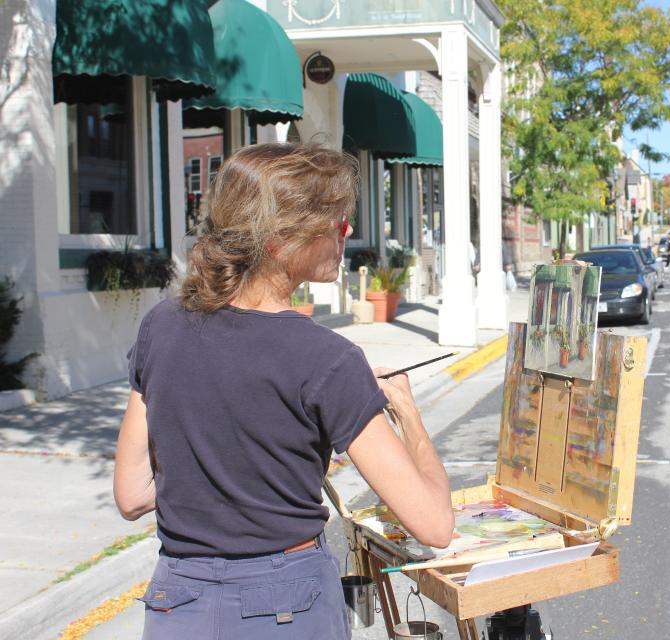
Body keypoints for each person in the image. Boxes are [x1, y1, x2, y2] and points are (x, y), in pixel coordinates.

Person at [114, 144, 453, 640]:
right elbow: (434, 524)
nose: (348, 233)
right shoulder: (325, 358)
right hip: (284, 607)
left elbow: (132, 495)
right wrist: (407, 412)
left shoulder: (161, 327)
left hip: (177, 602)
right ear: (281, 239)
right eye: (338, 224)